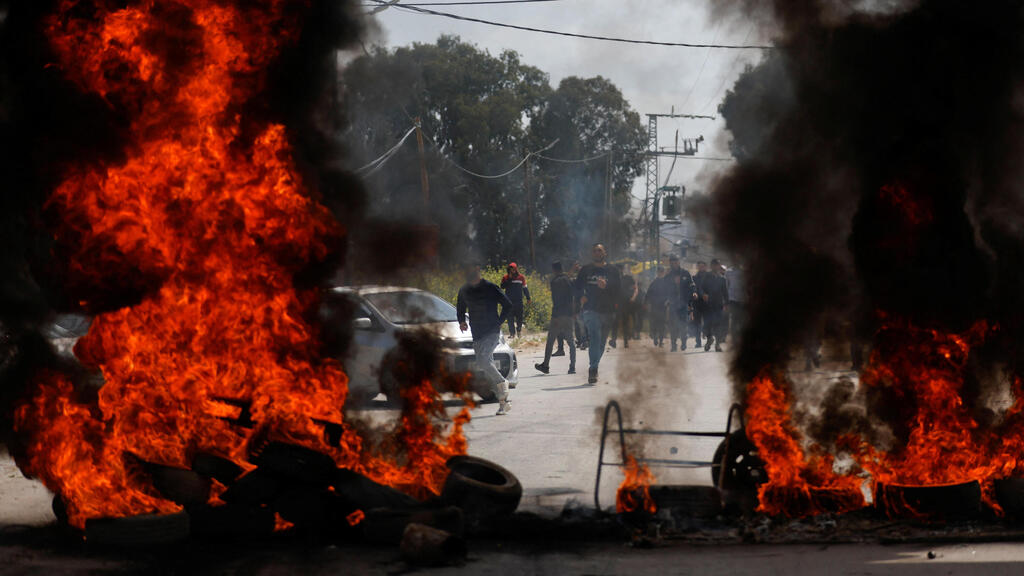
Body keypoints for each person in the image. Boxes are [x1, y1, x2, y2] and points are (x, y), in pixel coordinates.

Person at [457, 263, 514, 415]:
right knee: (485, 366)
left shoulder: (490, 287)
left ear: (478, 270)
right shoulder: (465, 289)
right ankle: (504, 403)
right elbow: (460, 306)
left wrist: (499, 321)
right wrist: (461, 320)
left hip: (492, 331)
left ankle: (503, 382)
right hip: (477, 333)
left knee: (483, 360)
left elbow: (508, 304)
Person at [573, 243, 621, 384]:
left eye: (600, 250)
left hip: (608, 310)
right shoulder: (586, 270)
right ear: (592, 254)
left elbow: (618, 289)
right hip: (590, 309)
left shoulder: (612, 270)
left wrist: (606, 286)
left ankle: (594, 365)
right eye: (595, 251)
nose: (597, 253)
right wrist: (580, 296)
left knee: (601, 343)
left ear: (604, 252)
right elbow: (576, 287)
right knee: (594, 337)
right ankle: (593, 370)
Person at [535, 261, 576, 375]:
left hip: (557, 315)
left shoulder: (554, 282)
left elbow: (556, 300)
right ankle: (572, 367)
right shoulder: (569, 280)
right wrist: (573, 312)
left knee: (550, 341)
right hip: (568, 315)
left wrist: (556, 315)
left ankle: (546, 365)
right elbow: (573, 297)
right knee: (571, 341)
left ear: (554, 270)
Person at [666, 255, 696, 352]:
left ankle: (683, 343)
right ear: (670, 263)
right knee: (673, 325)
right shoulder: (668, 275)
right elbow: (664, 289)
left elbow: (692, 284)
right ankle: (674, 345)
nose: (674, 264)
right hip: (673, 304)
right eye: (672, 262)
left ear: (679, 262)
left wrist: (694, 292)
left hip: (683, 303)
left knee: (683, 324)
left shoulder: (685, 273)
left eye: (675, 262)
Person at [700, 259, 730, 352]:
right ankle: (709, 339)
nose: (716, 267)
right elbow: (701, 288)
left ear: (718, 266)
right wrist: (703, 294)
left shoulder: (722, 278)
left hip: (718, 305)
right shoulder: (706, 276)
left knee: (718, 325)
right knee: (706, 324)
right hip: (708, 304)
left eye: (717, 265)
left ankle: (717, 344)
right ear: (711, 266)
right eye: (714, 265)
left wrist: (726, 304)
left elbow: (725, 292)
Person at [609, 264, 637, 349]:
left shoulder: (628, 278)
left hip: (626, 303)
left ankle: (626, 341)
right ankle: (613, 340)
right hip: (616, 304)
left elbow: (635, 288)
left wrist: (633, 297)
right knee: (615, 322)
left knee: (625, 323)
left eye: (619, 269)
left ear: (622, 270)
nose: (618, 271)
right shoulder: (613, 280)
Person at [500, 262, 531, 338]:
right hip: (509, 301)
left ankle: (519, 331)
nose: (512, 271)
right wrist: (509, 279)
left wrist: (528, 298)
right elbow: (502, 287)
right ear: (509, 270)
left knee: (519, 317)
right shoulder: (505, 277)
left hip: (518, 301)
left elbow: (525, 288)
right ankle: (512, 334)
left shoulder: (521, 277)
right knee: (510, 318)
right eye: (511, 269)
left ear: (516, 269)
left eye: (514, 269)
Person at [644, 266, 672, 347]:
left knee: (662, 324)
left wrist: (668, 302)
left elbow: (669, 294)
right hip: (654, 306)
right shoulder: (654, 283)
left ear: (663, 273)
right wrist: (646, 303)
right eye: (659, 272)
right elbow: (648, 294)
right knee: (655, 323)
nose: (660, 273)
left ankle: (660, 341)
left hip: (662, 306)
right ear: (657, 273)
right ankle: (656, 338)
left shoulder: (666, 283)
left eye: (661, 272)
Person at [691, 260, 709, 349]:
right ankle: (698, 341)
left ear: (705, 267)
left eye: (703, 266)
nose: (701, 268)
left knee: (707, 322)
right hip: (697, 303)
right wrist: (694, 293)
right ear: (697, 267)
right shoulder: (694, 278)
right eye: (699, 266)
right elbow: (692, 288)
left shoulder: (710, 277)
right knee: (697, 323)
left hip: (707, 303)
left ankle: (708, 336)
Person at [725, 263, 745, 344]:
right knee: (734, 319)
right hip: (732, 299)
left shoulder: (744, 272)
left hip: (743, 299)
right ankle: (734, 339)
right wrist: (726, 299)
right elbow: (726, 286)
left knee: (741, 319)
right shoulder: (728, 272)